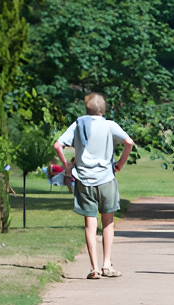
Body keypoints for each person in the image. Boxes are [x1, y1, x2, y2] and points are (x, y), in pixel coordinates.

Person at [53, 92, 134, 279]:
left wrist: (68, 168)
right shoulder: (109, 125)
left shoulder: (78, 124)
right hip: (106, 179)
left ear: (86, 108)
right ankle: (107, 265)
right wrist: (120, 164)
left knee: (90, 223)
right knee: (108, 222)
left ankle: (94, 268)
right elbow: (128, 142)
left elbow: (58, 145)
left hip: (83, 179)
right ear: (104, 109)